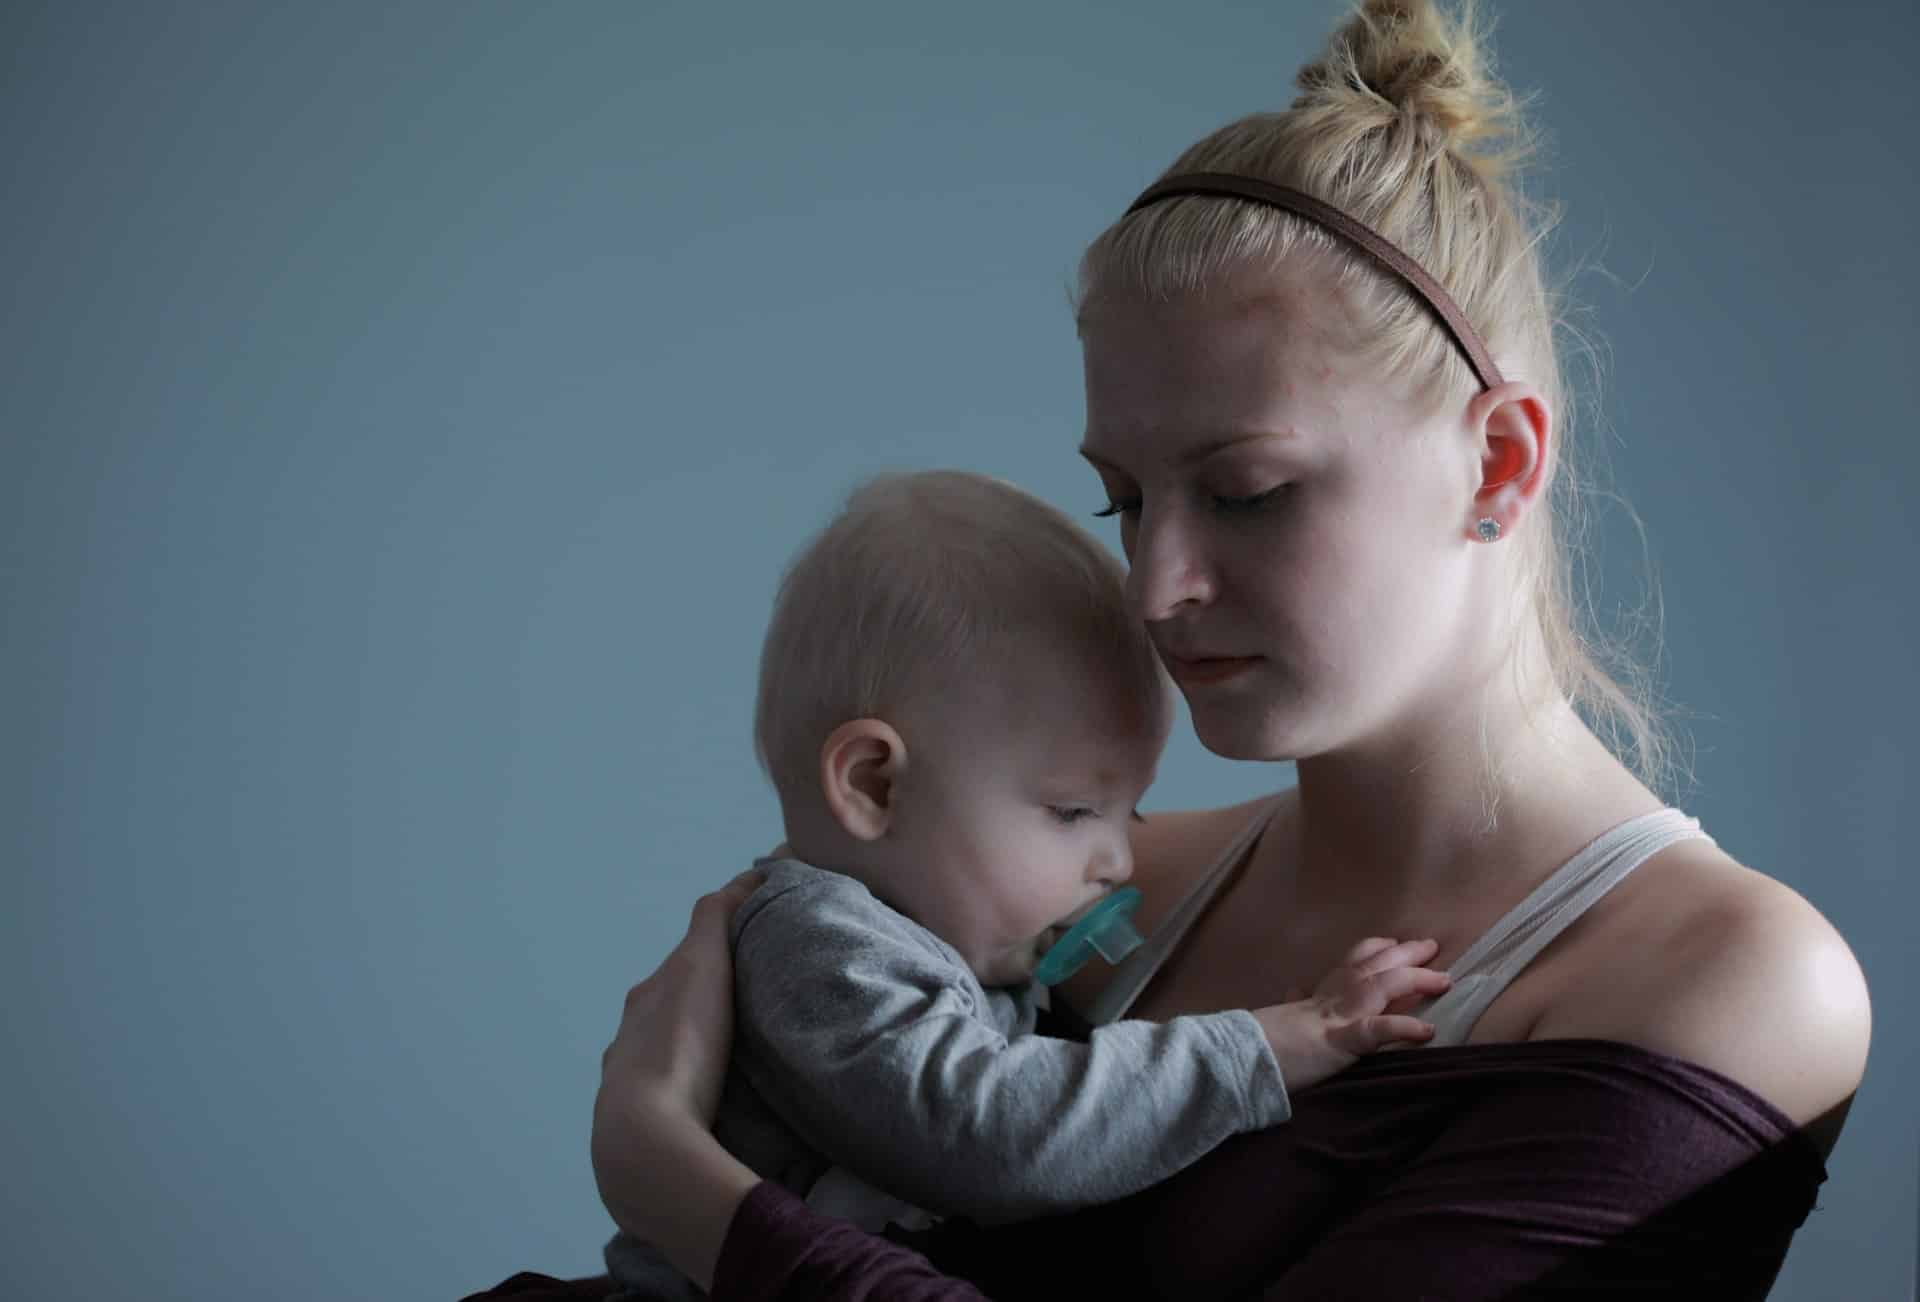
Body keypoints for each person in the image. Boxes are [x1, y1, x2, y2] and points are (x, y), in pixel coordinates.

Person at [472, 0, 1870, 1297]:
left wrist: (682, 1189)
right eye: (1125, 500)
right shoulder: (1097, 881)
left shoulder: (1732, 978)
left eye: (1248, 491)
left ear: (1498, 460)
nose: (1154, 585)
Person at [602, 469, 1451, 1299]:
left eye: (1132, 815)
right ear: (874, 785)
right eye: (1075, 810)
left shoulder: (947, 945)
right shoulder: (821, 947)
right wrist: (1267, 1045)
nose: (1119, 862)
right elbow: (995, 1130)